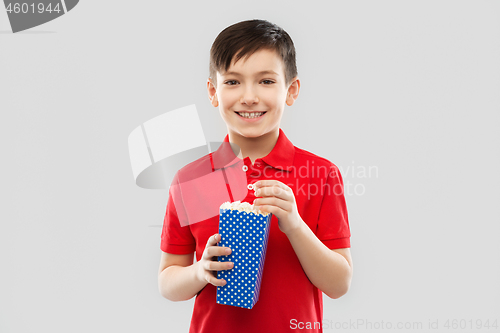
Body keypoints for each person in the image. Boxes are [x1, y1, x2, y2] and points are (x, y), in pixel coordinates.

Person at [158, 19, 353, 333]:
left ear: (291, 90)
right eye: (233, 82)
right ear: (213, 92)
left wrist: (294, 225)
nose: (249, 97)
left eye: (266, 81)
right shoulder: (192, 179)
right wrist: (200, 271)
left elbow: (339, 283)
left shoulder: (320, 174)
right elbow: (168, 281)